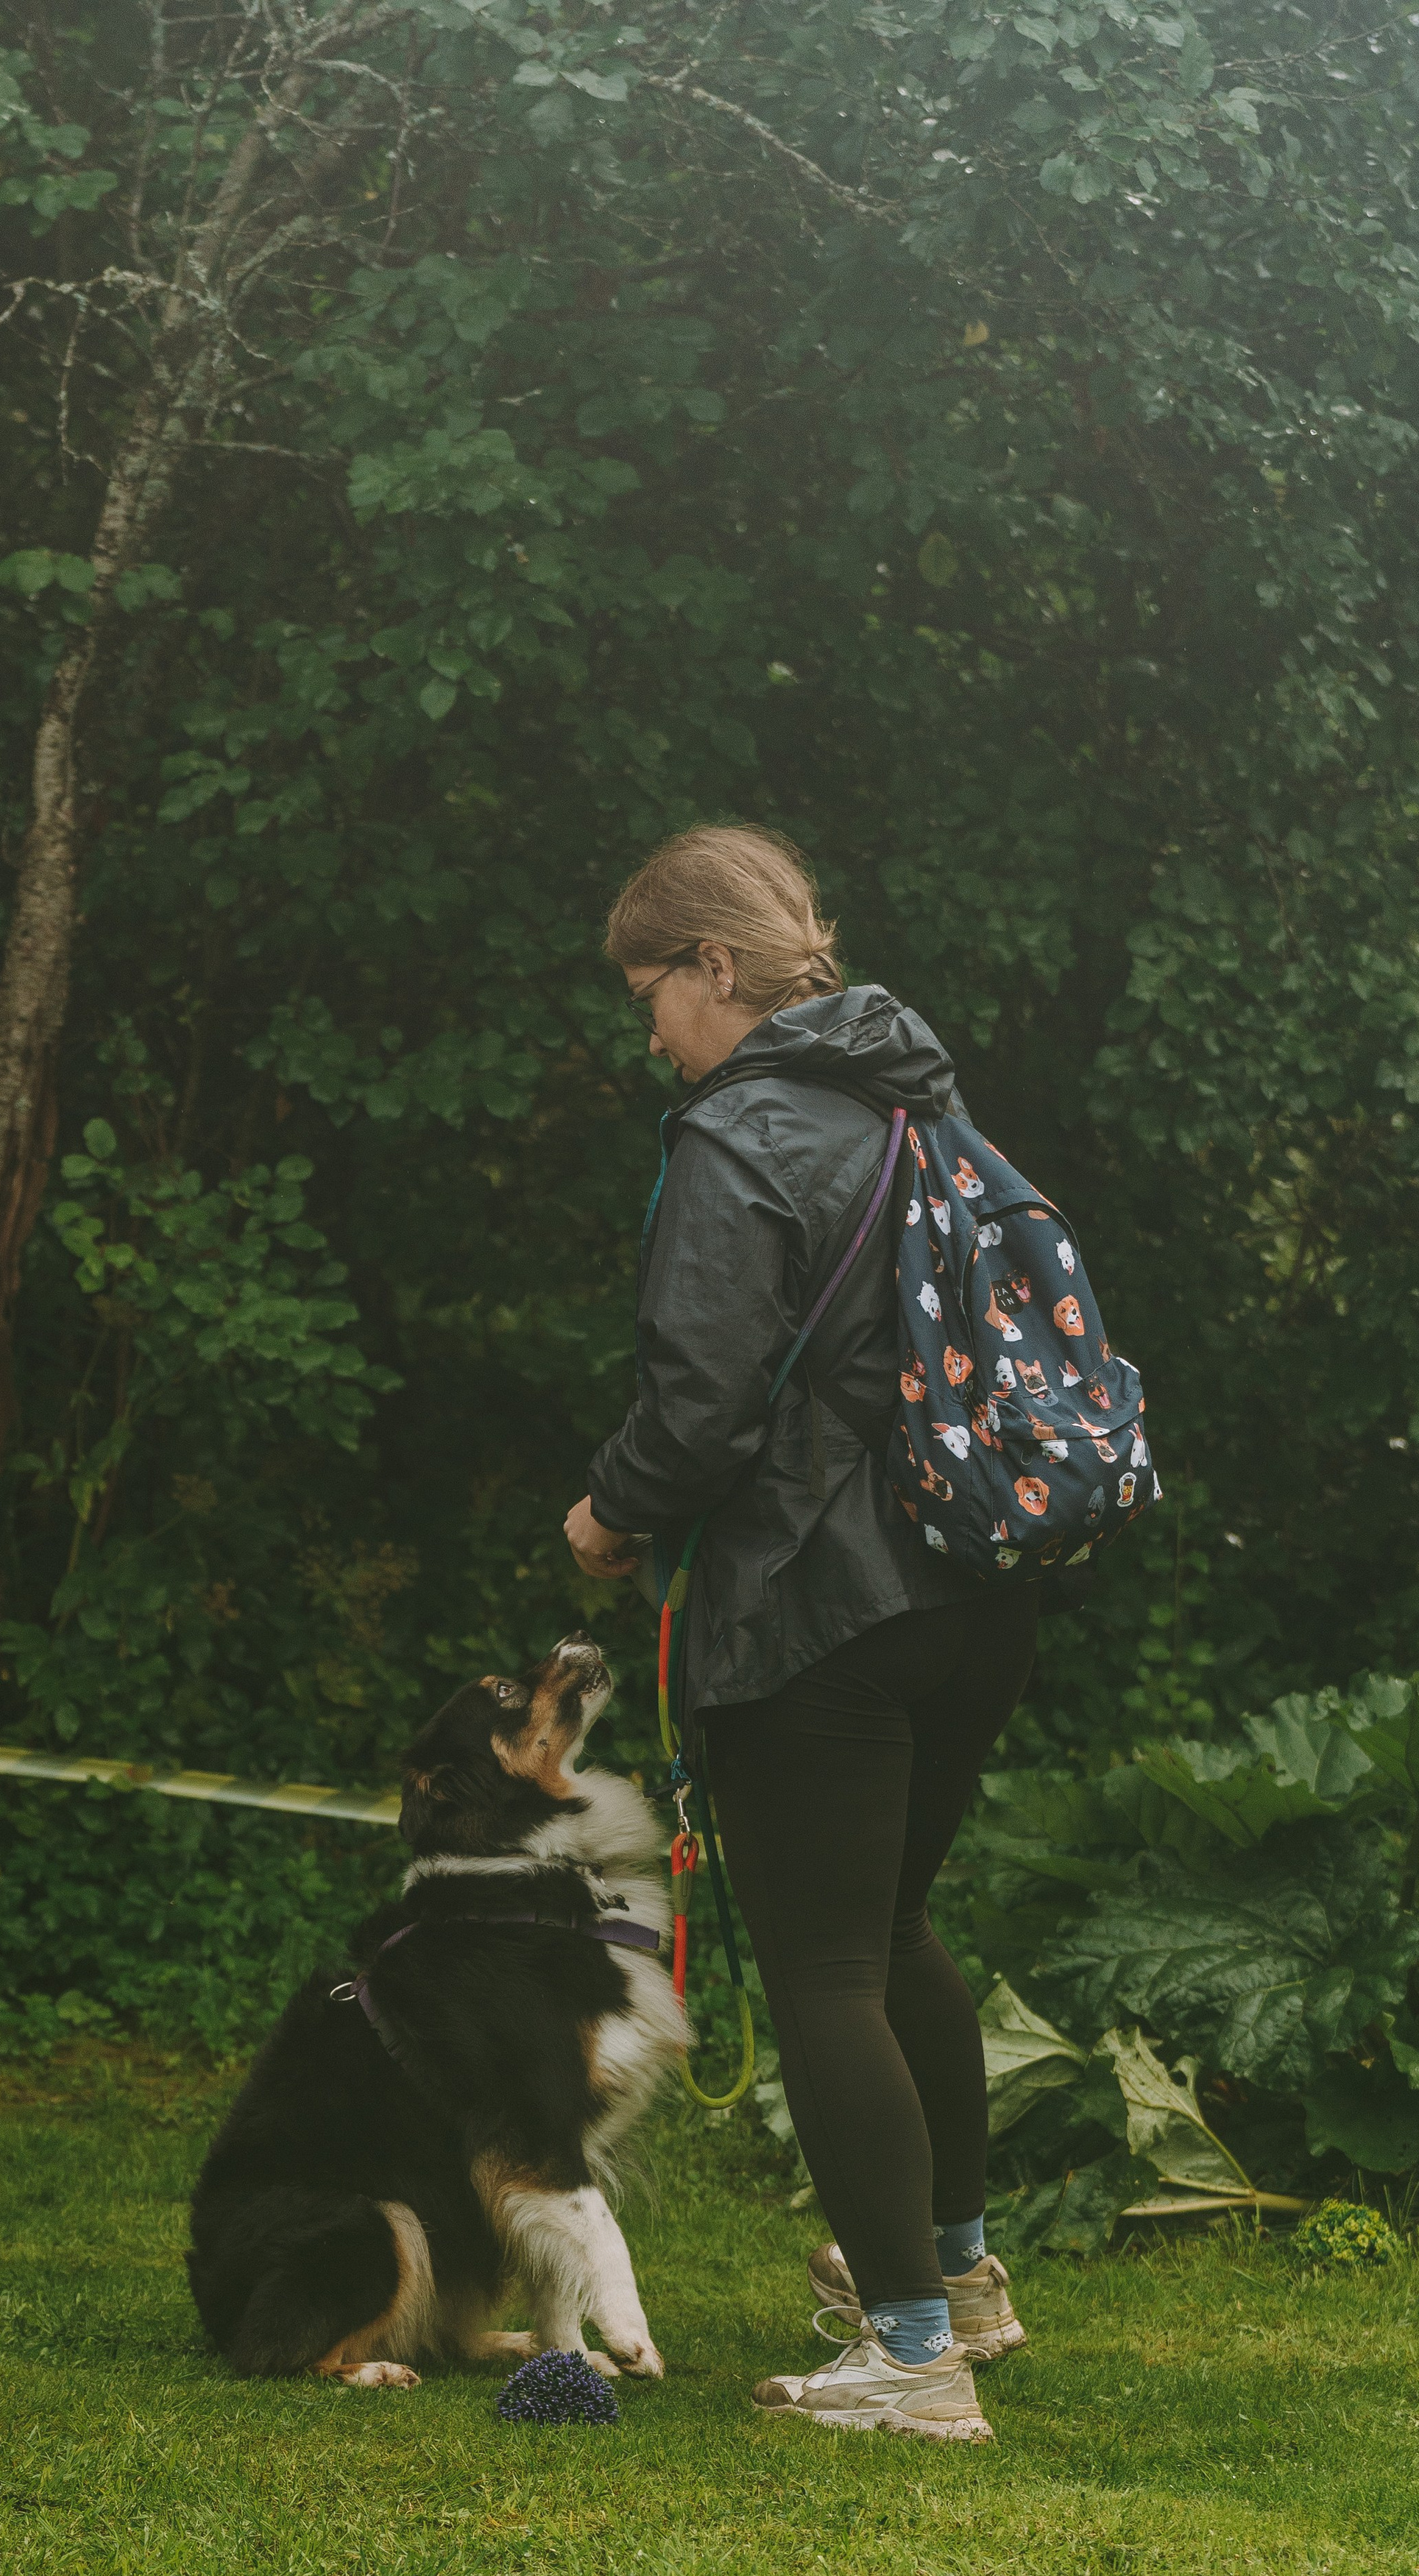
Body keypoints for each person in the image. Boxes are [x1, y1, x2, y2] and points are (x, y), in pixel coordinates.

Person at [564, 823, 1036, 2443]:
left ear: (715, 964)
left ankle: (911, 2359)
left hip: (818, 1601)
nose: (650, 1034)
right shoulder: (925, 1111)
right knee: (894, 1931)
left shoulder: (742, 1132)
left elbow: (698, 1407)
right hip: (977, 1586)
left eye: (650, 991)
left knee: (825, 1965)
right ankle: (961, 2279)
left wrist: (609, 1511)